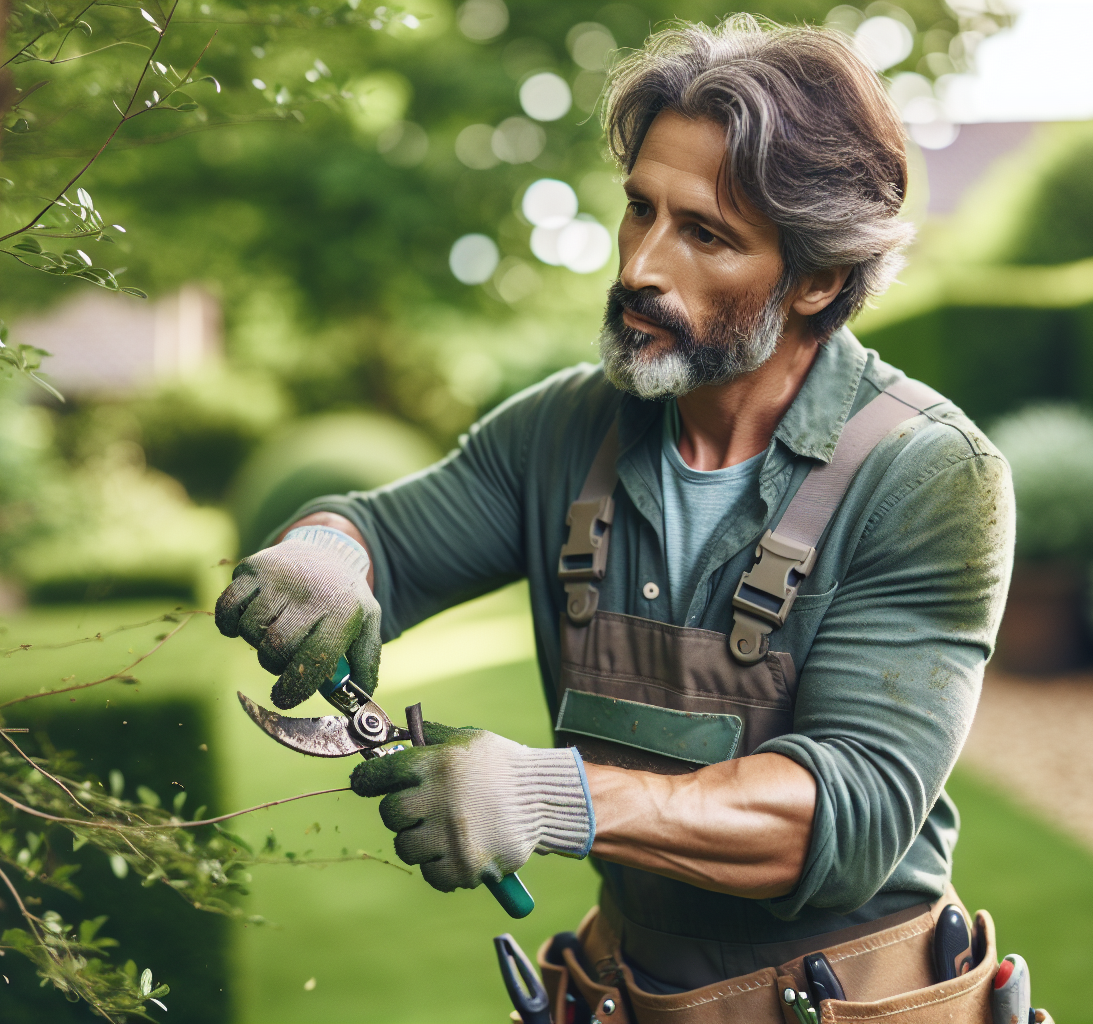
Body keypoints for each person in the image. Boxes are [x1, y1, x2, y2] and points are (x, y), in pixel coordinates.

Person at [217, 16, 1017, 1021]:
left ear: (817, 278)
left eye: (703, 234)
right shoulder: (566, 430)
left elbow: (848, 810)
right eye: (640, 210)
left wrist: (554, 796)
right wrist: (326, 553)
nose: (640, 263)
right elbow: (383, 534)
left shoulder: (927, 474)